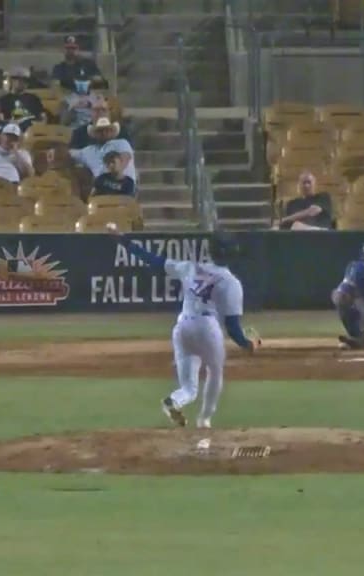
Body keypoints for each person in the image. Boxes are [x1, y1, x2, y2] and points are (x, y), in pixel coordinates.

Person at [107, 226, 257, 429]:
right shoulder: (231, 282)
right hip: (207, 328)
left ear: (210, 251)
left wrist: (123, 240)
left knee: (189, 388)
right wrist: (246, 343)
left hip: (182, 327)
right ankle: (204, 419)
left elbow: (153, 260)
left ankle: (174, 401)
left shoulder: (189, 267)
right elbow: (232, 326)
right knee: (215, 372)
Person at [68, 117, 137, 181]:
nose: (104, 133)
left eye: (107, 130)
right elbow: (69, 154)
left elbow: (124, 158)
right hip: (101, 189)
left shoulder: (121, 143)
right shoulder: (88, 151)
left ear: (111, 132)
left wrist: (112, 175)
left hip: (123, 187)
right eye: (100, 131)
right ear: (95, 134)